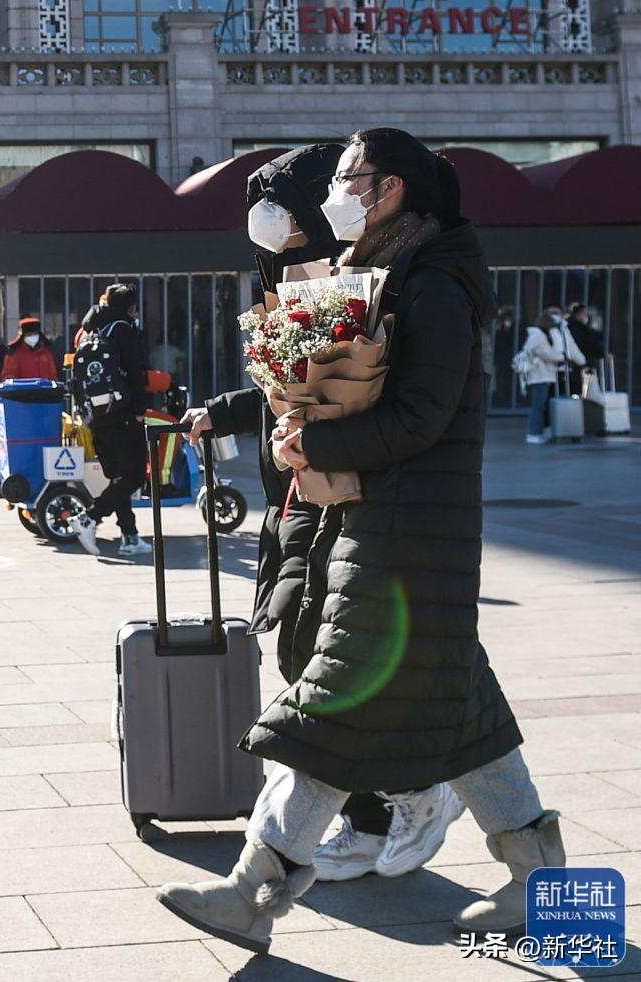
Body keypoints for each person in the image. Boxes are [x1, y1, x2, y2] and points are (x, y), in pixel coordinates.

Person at [158, 127, 564, 955]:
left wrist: (317, 447)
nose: (337, 192)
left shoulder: (435, 284)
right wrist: (297, 417)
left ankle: (251, 895)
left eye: (352, 178)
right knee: (465, 712)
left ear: (395, 190)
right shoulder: (386, 274)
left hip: (410, 529)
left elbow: (422, 416)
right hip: (392, 523)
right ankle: (538, 880)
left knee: (330, 710)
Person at [184, 145, 462, 885]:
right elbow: (293, 383)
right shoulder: (295, 277)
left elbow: (364, 393)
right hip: (306, 492)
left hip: (350, 494)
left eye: (295, 228)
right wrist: (232, 413)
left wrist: (313, 438)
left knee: (325, 663)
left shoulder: (368, 280)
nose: (285, 242)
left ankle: (396, 802)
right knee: (313, 655)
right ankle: (378, 816)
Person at [70, 282, 152, 559]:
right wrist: (141, 409)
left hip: (97, 415)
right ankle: (88, 517)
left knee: (118, 477)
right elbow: (136, 372)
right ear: (131, 306)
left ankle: (129, 537)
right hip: (124, 414)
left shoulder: (92, 329)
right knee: (133, 476)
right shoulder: (123, 330)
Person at [519, 309, 586, 444]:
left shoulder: (541, 334)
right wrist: (564, 358)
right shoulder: (540, 336)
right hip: (541, 375)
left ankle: (541, 431)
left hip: (545, 374)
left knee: (542, 405)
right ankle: (534, 433)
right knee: (539, 406)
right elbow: (547, 353)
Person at [567, 302, 607, 395]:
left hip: (581, 364)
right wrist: (601, 351)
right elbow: (587, 343)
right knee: (584, 392)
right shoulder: (577, 329)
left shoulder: (575, 327)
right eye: (585, 313)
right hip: (581, 365)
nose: (587, 316)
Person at [1, 317, 58, 381]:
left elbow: (53, 375)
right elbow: (8, 376)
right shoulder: (13, 354)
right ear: (22, 336)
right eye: (29, 334)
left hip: (45, 389)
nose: (32, 337)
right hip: (23, 390)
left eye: (35, 334)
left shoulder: (46, 353)